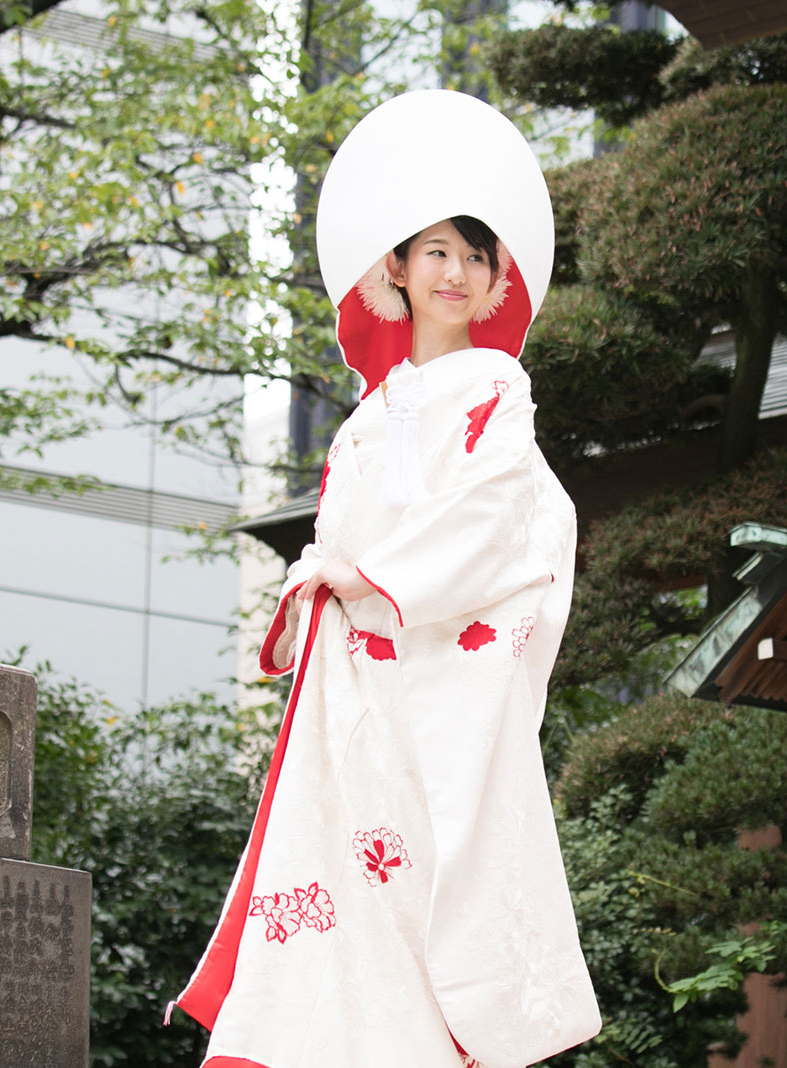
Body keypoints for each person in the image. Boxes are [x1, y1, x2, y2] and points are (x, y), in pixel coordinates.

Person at [170, 90, 600, 1068]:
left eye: (474, 255)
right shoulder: (362, 424)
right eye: (434, 251)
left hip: (443, 673)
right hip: (361, 685)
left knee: (433, 873)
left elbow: (496, 517)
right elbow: (339, 537)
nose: (455, 271)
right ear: (394, 269)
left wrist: (371, 581)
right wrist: (340, 586)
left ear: (496, 281)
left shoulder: (497, 389)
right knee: (351, 884)